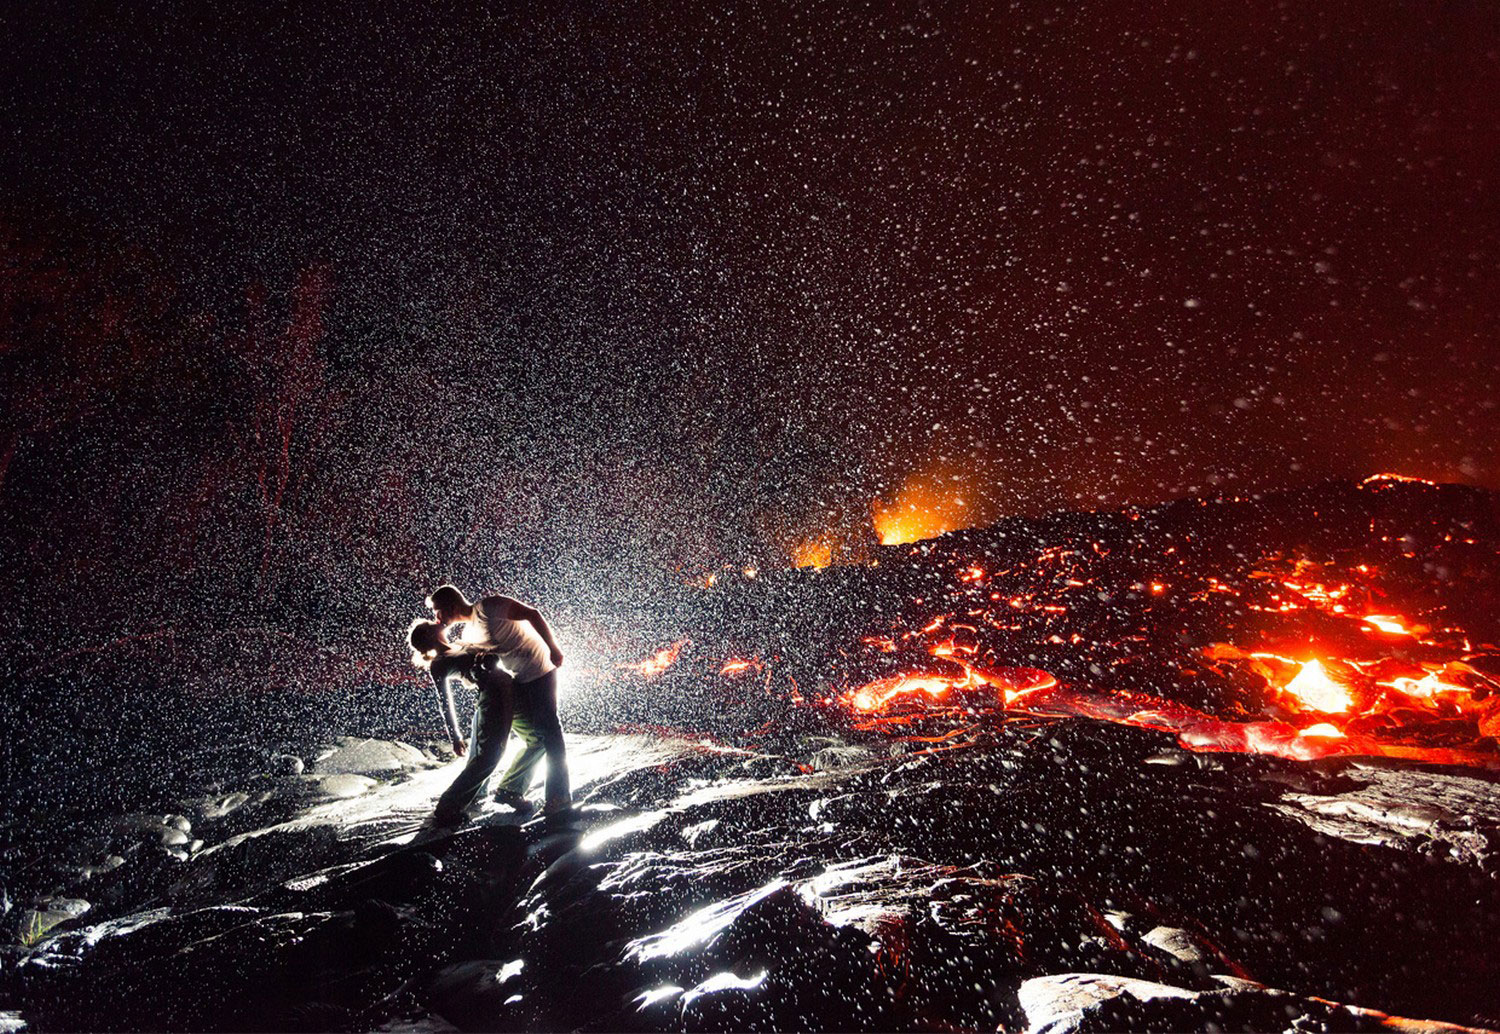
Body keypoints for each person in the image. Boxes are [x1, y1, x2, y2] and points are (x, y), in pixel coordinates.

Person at [426, 585, 573, 820]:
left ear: (450, 606)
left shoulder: (489, 607)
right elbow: (478, 664)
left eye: (438, 611)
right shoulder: (467, 635)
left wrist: (553, 647)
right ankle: (509, 789)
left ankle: (559, 798)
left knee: (549, 730)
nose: (437, 618)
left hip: (540, 669)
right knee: (534, 738)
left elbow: (532, 614)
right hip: (517, 681)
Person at [408, 620, 516, 827]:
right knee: (491, 755)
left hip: (498, 692)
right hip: (492, 697)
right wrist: (455, 736)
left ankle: (476, 796)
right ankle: (448, 806)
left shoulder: (458, 644)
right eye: (431, 624)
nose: (437, 621)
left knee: (482, 754)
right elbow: (445, 702)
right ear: (429, 635)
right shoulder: (439, 662)